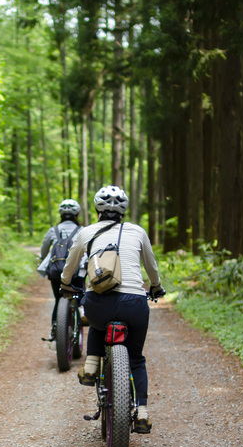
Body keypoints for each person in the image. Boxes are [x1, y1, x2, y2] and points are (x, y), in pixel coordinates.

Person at [59, 185, 165, 433]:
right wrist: (156, 287)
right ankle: (142, 412)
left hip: (99, 302)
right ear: (124, 210)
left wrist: (65, 284)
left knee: (97, 319)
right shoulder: (137, 232)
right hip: (135, 303)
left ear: (97, 209)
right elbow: (151, 266)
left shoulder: (86, 232)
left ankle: (92, 365)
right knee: (136, 358)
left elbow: (70, 264)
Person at [39, 199, 85, 337]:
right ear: (77, 214)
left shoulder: (53, 231)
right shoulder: (82, 231)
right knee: (78, 297)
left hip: (56, 271)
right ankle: (80, 315)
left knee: (59, 300)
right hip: (77, 271)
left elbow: (44, 250)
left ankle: (55, 334)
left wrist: (42, 259)